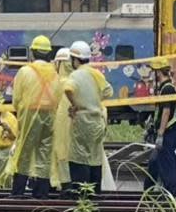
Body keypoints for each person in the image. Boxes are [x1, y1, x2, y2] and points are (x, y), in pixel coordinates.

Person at [8, 35, 61, 199]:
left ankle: (18, 191)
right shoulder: (55, 72)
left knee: (24, 151)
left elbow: (16, 99)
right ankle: (41, 192)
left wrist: (21, 113)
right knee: (45, 152)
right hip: (51, 114)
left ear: (32, 53)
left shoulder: (25, 71)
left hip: (30, 114)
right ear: (48, 54)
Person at [64, 41, 114, 193]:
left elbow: (67, 89)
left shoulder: (76, 74)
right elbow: (108, 92)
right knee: (95, 157)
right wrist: (94, 99)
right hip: (97, 121)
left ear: (75, 59)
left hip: (82, 120)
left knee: (79, 157)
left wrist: (75, 105)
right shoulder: (96, 73)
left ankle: (82, 194)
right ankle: (95, 193)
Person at [143, 57, 176, 196]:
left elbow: (166, 112)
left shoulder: (167, 89)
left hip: (168, 133)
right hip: (166, 132)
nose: (152, 74)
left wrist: (160, 134)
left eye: (153, 71)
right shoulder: (166, 87)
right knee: (154, 162)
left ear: (158, 72)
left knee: (166, 164)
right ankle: (148, 193)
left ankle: (171, 194)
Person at [50, 48, 73, 194]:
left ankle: (58, 182)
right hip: (75, 127)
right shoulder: (77, 81)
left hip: (58, 126)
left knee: (58, 153)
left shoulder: (57, 83)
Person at [0, 90, 18, 190]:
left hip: (6, 152)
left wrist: (8, 130)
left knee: (5, 178)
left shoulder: (10, 117)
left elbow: (15, 138)